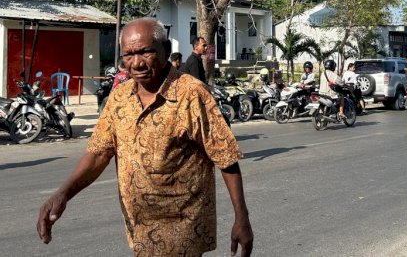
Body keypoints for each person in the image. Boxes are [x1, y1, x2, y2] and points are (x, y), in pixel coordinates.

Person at [37, 18, 253, 256]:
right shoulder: (119, 98)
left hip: (182, 230)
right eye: (128, 55)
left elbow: (226, 157)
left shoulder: (192, 94)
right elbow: (99, 153)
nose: (136, 63)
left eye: (145, 52)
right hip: (139, 229)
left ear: (166, 50)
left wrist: (241, 218)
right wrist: (63, 194)